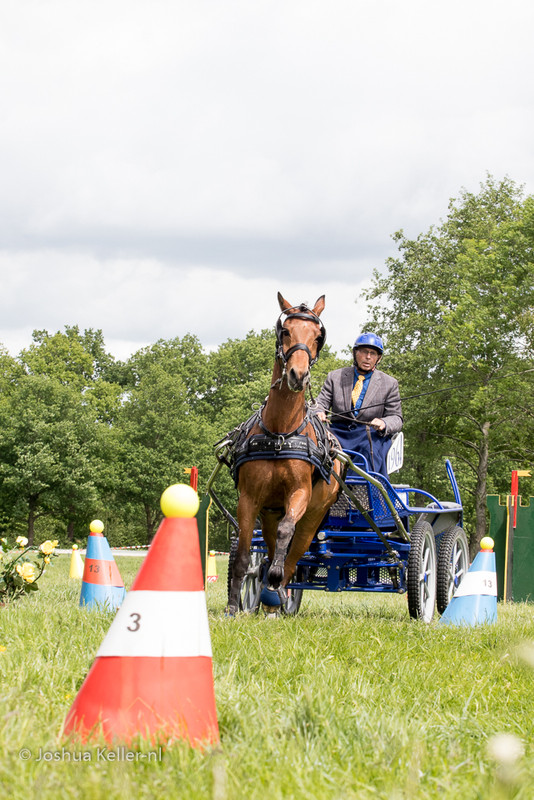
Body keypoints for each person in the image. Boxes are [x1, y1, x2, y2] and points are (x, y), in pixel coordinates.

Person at [315, 332, 403, 475]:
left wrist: (383, 422)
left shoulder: (389, 383)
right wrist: (319, 411)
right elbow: (320, 402)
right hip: (337, 433)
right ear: (355, 353)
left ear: (378, 358)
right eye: (364, 352)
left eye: (372, 353)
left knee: (370, 449)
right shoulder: (335, 377)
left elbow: (396, 418)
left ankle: (359, 491)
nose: (368, 357)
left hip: (368, 434)